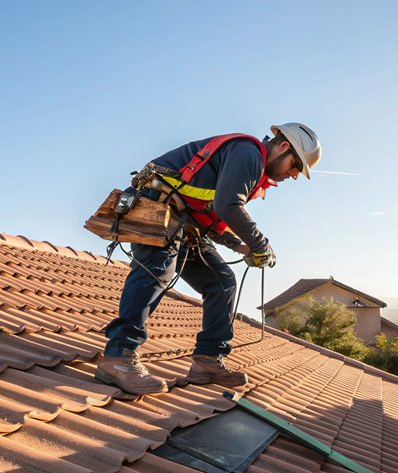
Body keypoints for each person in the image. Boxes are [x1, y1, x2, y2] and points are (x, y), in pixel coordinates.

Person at [96, 123, 322, 395]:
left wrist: (241, 247)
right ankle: (118, 356)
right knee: (158, 269)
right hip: (158, 209)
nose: (293, 176)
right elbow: (228, 205)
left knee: (222, 281)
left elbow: (213, 214)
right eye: (295, 168)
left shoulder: (251, 164)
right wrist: (260, 245)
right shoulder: (249, 153)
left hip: (185, 224)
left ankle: (207, 362)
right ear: (284, 147)